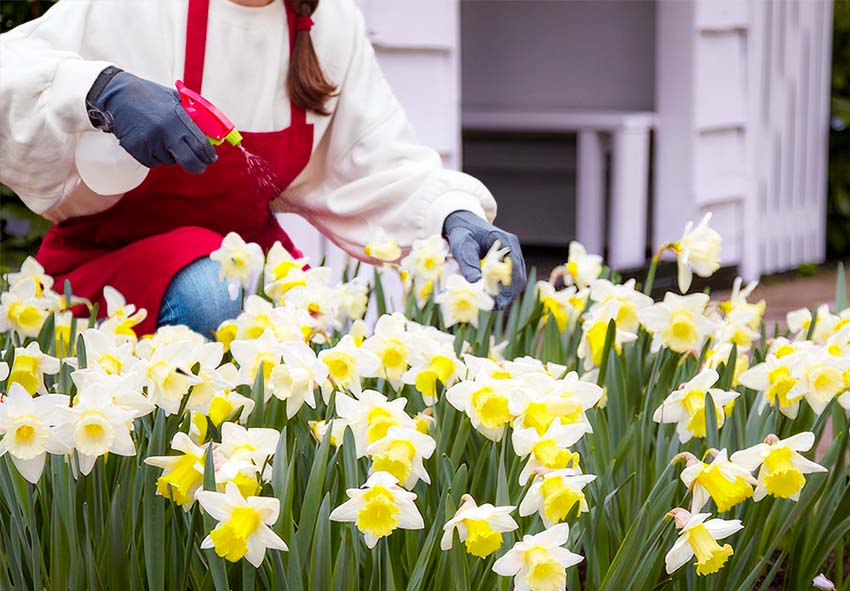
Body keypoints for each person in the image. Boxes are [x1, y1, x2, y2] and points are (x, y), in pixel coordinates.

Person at [0, 0, 526, 338]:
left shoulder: (330, 24)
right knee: (217, 294)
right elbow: (12, 69)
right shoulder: (133, 7)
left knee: (325, 324)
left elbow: (378, 157)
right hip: (114, 269)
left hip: (251, 265)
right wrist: (98, 89)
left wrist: (454, 215)